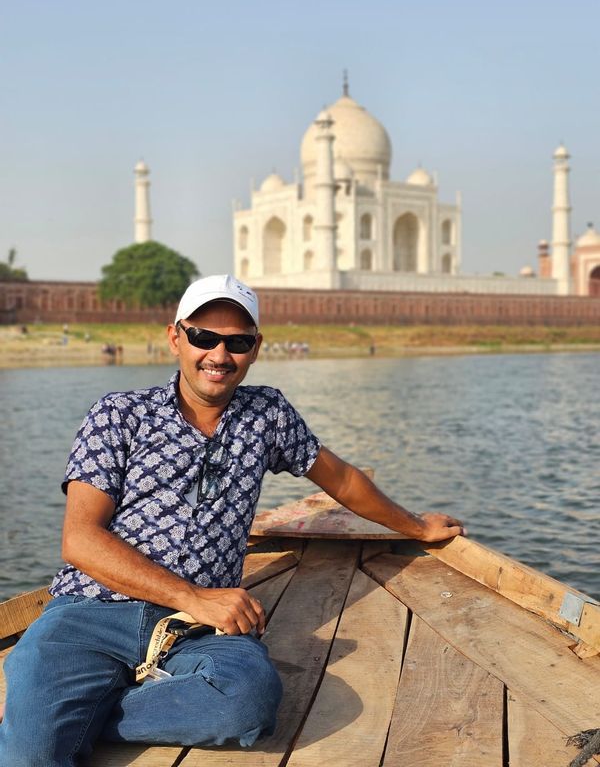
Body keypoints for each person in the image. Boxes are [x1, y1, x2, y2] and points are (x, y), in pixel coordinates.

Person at [0, 274, 464, 766]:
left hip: (197, 630)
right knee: (29, 757)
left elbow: (342, 479)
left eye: (237, 342)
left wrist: (416, 527)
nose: (219, 355)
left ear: (255, 348)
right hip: (92, 611)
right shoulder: (119, 414)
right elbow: (80, 541)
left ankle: (80, 715)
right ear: (175, 337)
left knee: (246, 703)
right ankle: (62, 719)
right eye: (203, 337)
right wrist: (193, 597)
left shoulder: (266, 415)